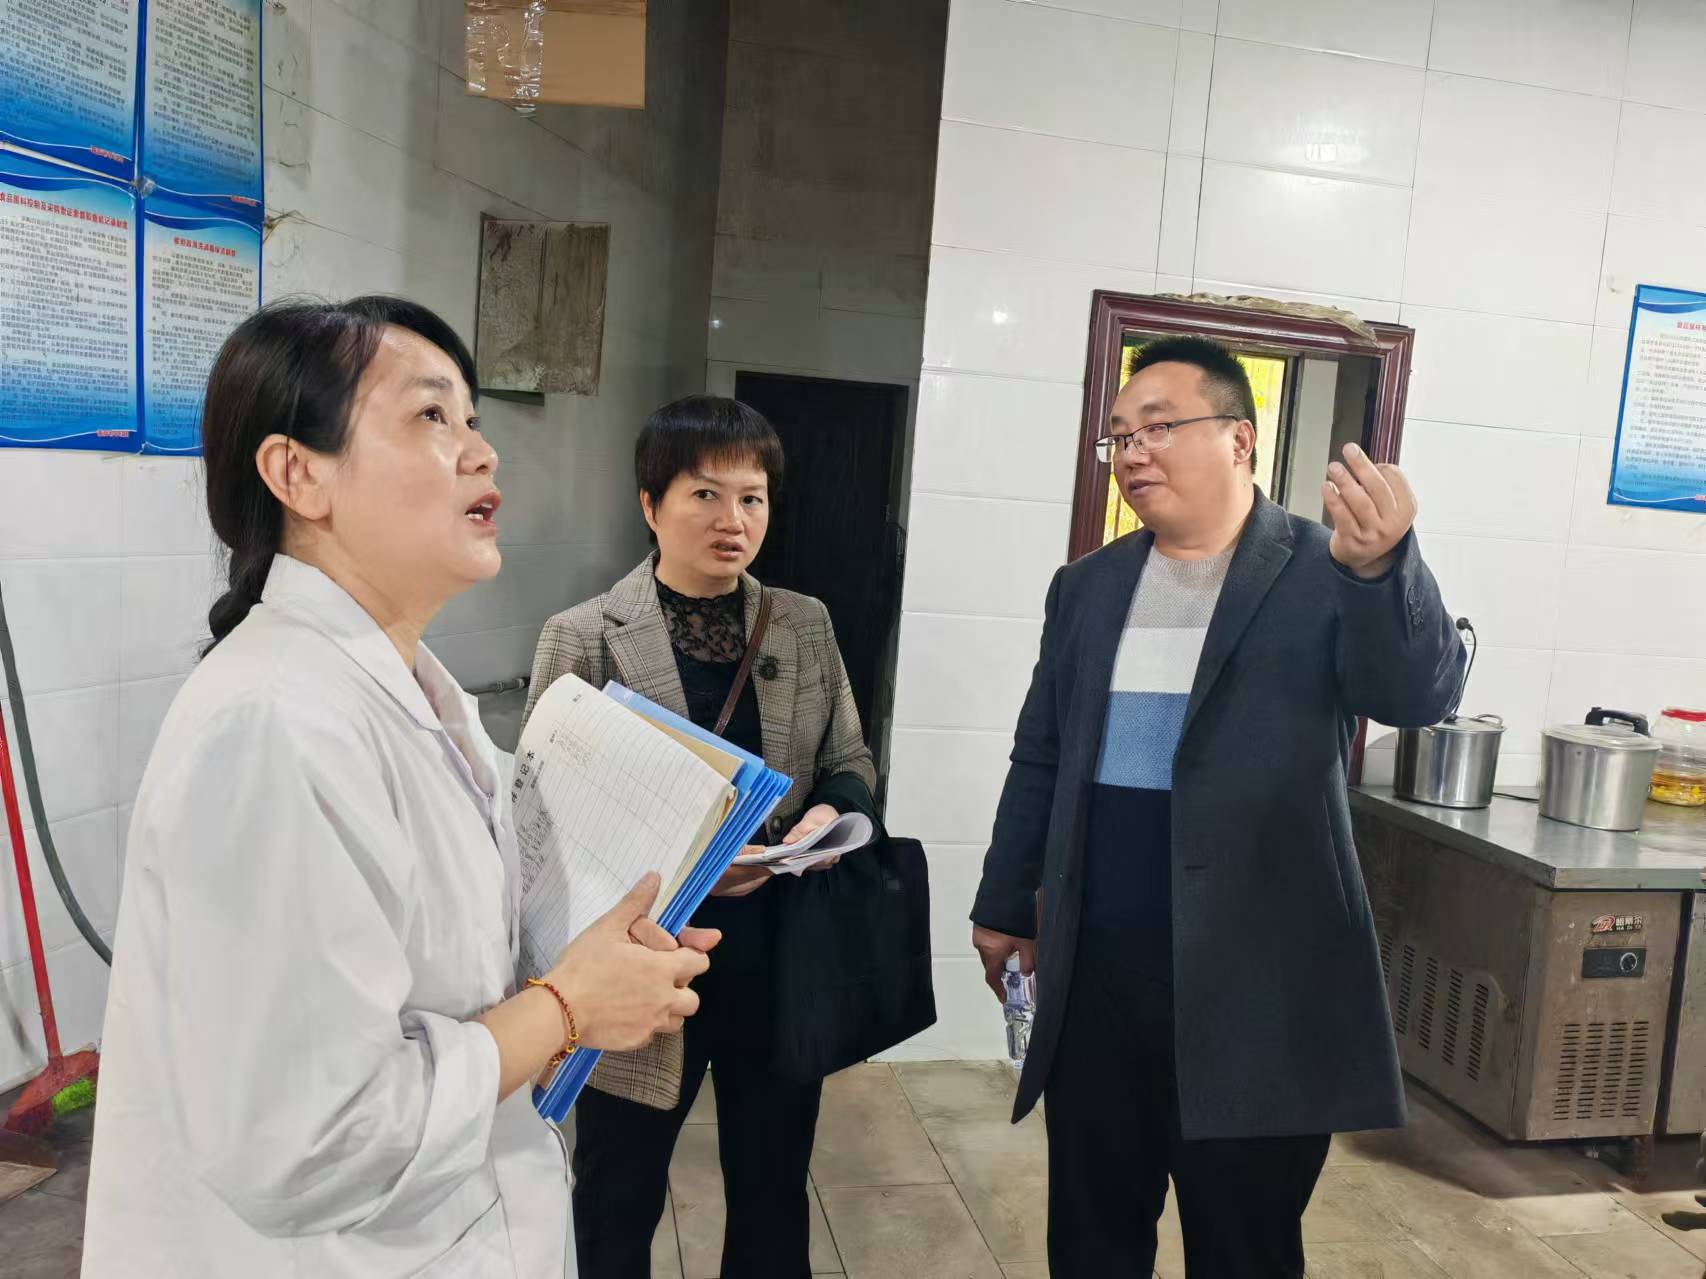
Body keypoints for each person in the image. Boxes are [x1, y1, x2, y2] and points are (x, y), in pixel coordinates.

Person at [81, 297, 718, 1278]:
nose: (481, 452)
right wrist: (565, 1006)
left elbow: (444, 981)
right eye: (430, 416)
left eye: (472, 419)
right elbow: (307, 1140)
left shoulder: (411, 691)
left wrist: (602, 968)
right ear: (298, 474)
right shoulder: (275, 724)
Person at [970, 336, 1465, 1278]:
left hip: (1259, 986)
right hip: (1098, 975)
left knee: (1244, 1244)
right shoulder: (1088, 587)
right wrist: (1003, 903)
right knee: (1092, 1235)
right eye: (1120, 436)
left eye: (1158, 427)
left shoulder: (1327, 568)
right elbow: (1043, 751)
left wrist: (1384, 569)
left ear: (1240, 438)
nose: (1133, 453)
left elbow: (1417, 695)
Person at [524, 395, 878, 1279]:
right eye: (705, 495)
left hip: (779, 957)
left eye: (752, 497)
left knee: (773, 1186)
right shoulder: (584, 636)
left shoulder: (802, 622)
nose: (734, 520)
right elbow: (543, 817)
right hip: (642, 960)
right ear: (651, 504)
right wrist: (691, 868)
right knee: (618, 1191)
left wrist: (824, 817)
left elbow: (849, 756)